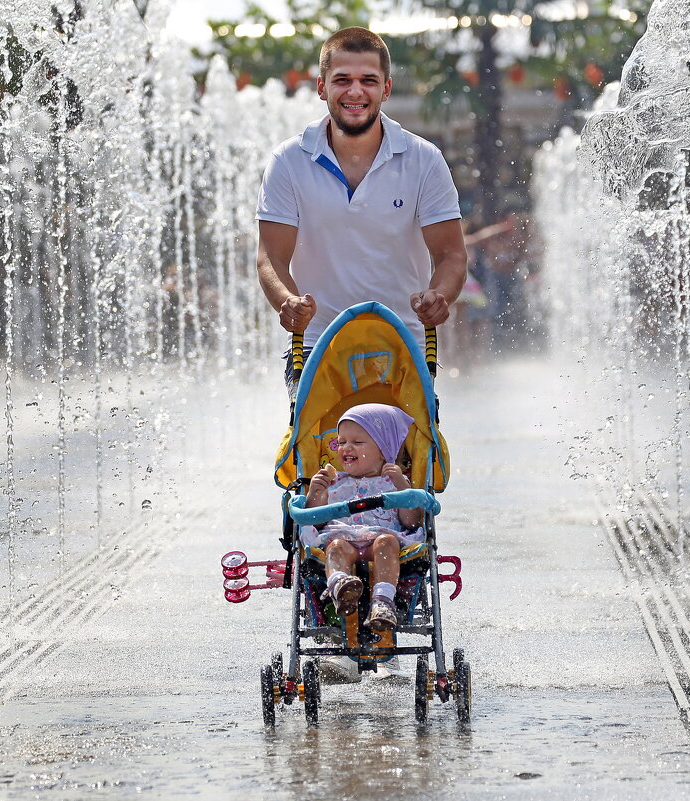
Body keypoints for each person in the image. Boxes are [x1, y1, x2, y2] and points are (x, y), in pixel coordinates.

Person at [255, 25, 468, 392]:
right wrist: (287, 302)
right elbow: (270, 257)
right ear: (322, 87)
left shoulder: (424, 160)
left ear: (386, 88)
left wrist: (440, 295)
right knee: (322, 451)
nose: (355, 91)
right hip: (316, 344)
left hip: (404, 344)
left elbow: (451, 254)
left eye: (368, 80)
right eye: (342, 80)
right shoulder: (288, 160)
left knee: (402, 452)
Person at [303, 404, 422, 631]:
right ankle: (340, 585)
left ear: (383, 449)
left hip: (380, 539)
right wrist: (316, 493)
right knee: (335, 546)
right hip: (344, 539)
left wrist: (400, 486)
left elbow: (412, 522)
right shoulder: (335, 482)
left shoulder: (394, 484)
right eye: (342, 442)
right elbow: (315, 521)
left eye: (357, 443)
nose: (347, 448)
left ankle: (382, 602)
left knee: (387, 543)